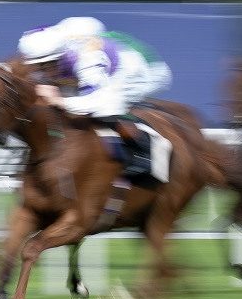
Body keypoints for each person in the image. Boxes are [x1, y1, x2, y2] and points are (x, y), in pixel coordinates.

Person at [18, 18, 170, 181]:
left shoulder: (87, 60)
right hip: (106, 64)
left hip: (141, 72)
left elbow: (97, 100)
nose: (42, 71)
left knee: (105, 110)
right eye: (38, 66)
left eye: (47, 65)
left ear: (60, 55)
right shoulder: (48, 50)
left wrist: (60, 101)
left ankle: (145, 152)